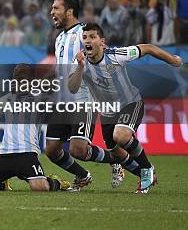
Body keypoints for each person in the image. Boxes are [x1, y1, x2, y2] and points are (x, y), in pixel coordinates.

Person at [69, 23, 183, 193]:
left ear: (101, 42)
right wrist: (79, 68)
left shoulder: (116, 55)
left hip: (130, 103)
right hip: (108, 112)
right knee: (116, 155)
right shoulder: (80, 62)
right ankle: (145, 176)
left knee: (121, 135)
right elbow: (72, 87)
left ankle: (147, 168)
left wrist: (173, 60)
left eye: (92, 37)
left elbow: (148, 48)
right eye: (85, 37)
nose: (88, 40)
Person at [46, 0, 123, 190]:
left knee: (78, 150)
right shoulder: (60, 38)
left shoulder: (84, 34)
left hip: (83, 98)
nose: (51, 12)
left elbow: (104, 56)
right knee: (52, 151)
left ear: (69, 11)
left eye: (56, 8)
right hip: (62, 100)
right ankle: (83, 176)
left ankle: (115, 159)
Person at [0, 65, 72, 192]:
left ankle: (56, 182)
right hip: (4, 154)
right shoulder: (7, 98)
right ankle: (1, 184)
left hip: (27, 154)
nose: (16, 82)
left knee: (40, 188)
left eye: (21, 79)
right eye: (14, 79)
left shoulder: (40, 98)